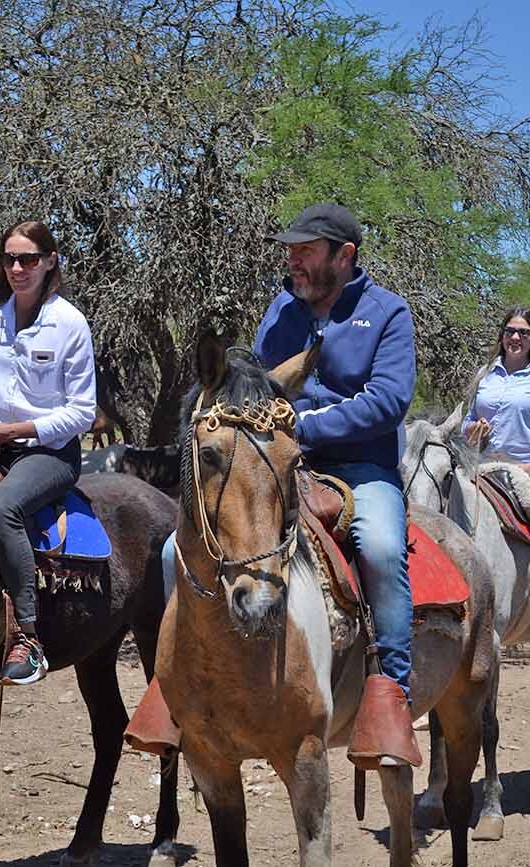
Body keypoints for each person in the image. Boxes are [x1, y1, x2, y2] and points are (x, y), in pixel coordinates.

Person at [163, 203, 419, 767]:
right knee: (172, 548)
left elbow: (389, 400)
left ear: (343, 255)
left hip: (360, 467)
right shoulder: (281, 310)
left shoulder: (387, 313)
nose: (292, 260)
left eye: (305, 251)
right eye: (290, 250)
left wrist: (305, 422)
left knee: (378, 548)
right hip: (279, 466)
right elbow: (255, 384)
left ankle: (390, 691)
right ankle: (174, 684)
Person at [0, 220, 97, 686]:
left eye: (28, 259)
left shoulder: (70, 324)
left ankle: (27, 637)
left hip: (49, 453)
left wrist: (14, 428)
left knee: (4, 510)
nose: (17, 267)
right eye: (9, 258)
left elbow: (81, 412)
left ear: (50, 262)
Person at [461, 306, 530, 555]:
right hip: (484, 464)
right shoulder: (484, 375)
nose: (515, 338)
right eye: (510, 331)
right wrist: (474, 429)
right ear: (502, 335)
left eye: (524, 333)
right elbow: (467, 422)